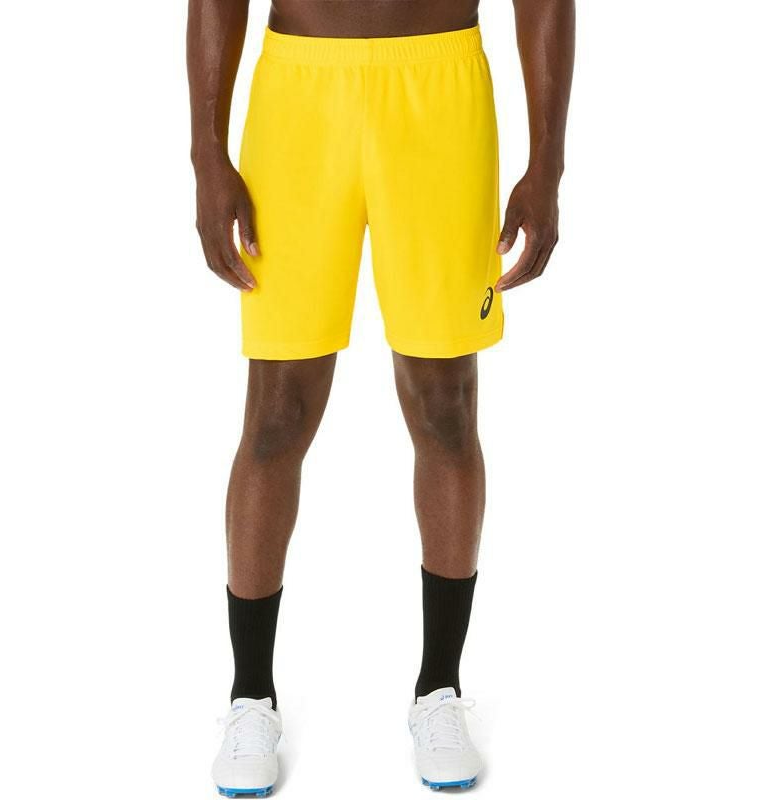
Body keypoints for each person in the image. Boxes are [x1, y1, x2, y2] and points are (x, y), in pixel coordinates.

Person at [187, 0, 574, 794]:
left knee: (445, 403)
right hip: (299, 95)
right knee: (277, 410)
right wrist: (206, 154)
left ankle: (440, 689)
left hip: (441, 92)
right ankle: (250, 695)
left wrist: (548, 164)